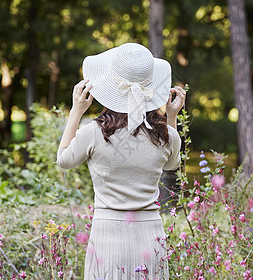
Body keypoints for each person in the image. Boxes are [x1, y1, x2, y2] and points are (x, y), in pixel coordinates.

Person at [57, 43, 186, 279]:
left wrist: (76, 111)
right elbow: (172, 164)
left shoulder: (94, 132)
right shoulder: (167, 135)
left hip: (108, 237)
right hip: (151, 237)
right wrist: (171, 117)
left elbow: (64, 160)